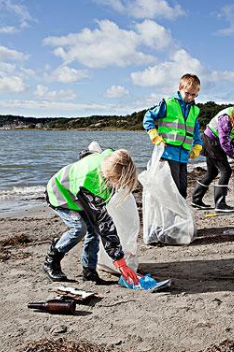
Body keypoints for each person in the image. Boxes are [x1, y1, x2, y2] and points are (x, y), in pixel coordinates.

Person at [43, 148, 139, 286]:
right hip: (59, 194)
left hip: (76, 193)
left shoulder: (111, 158)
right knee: (79, 228)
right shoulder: (91, 182)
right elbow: (103, 224)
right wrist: (120, 262)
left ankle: (89, 271)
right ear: (111, 176)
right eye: (118, 182)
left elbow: (90, 154)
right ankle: (51, 261)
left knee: (93, 232)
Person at [191, 99, 234, 212]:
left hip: (212, 142)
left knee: (212, 172)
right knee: (226, 171)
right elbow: (224, 142)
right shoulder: (225, 118)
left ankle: (196, 199)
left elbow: (230, 137)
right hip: (211, 142)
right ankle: (220, 204)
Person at [143, 73, 203, 199]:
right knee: (173, 190)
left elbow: (196, 130)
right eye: (187, 93)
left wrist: (197, 145)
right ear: (180, 88)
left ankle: (178, 217)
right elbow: (148, 117)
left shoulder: (194, 110)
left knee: (182, 191)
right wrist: (154, 135)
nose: (190, 97)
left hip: (183, 156)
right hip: (168, 154)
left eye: (194, 95)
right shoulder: (169, 103)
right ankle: (172, 217)